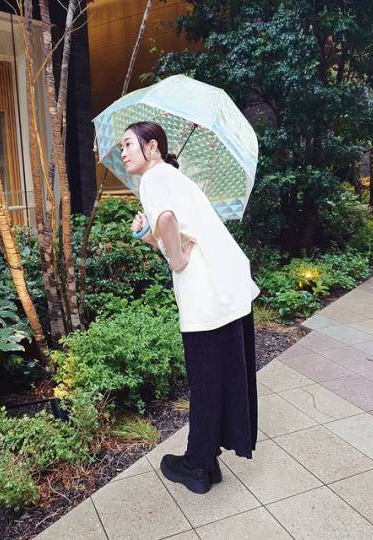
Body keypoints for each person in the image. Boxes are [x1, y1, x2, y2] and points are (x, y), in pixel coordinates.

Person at [121, 121, 260, 495]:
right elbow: (173, 233)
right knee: (218, 377)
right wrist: (146, 234)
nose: (123, 152)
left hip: (205, 294)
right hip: (229, 286)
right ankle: (207, 461)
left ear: (152, 147)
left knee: (204, 380)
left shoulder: (152, 179)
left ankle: (196, 466)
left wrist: (178, 260)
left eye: (129, 144)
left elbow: (168, 223)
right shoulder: (174, 178)